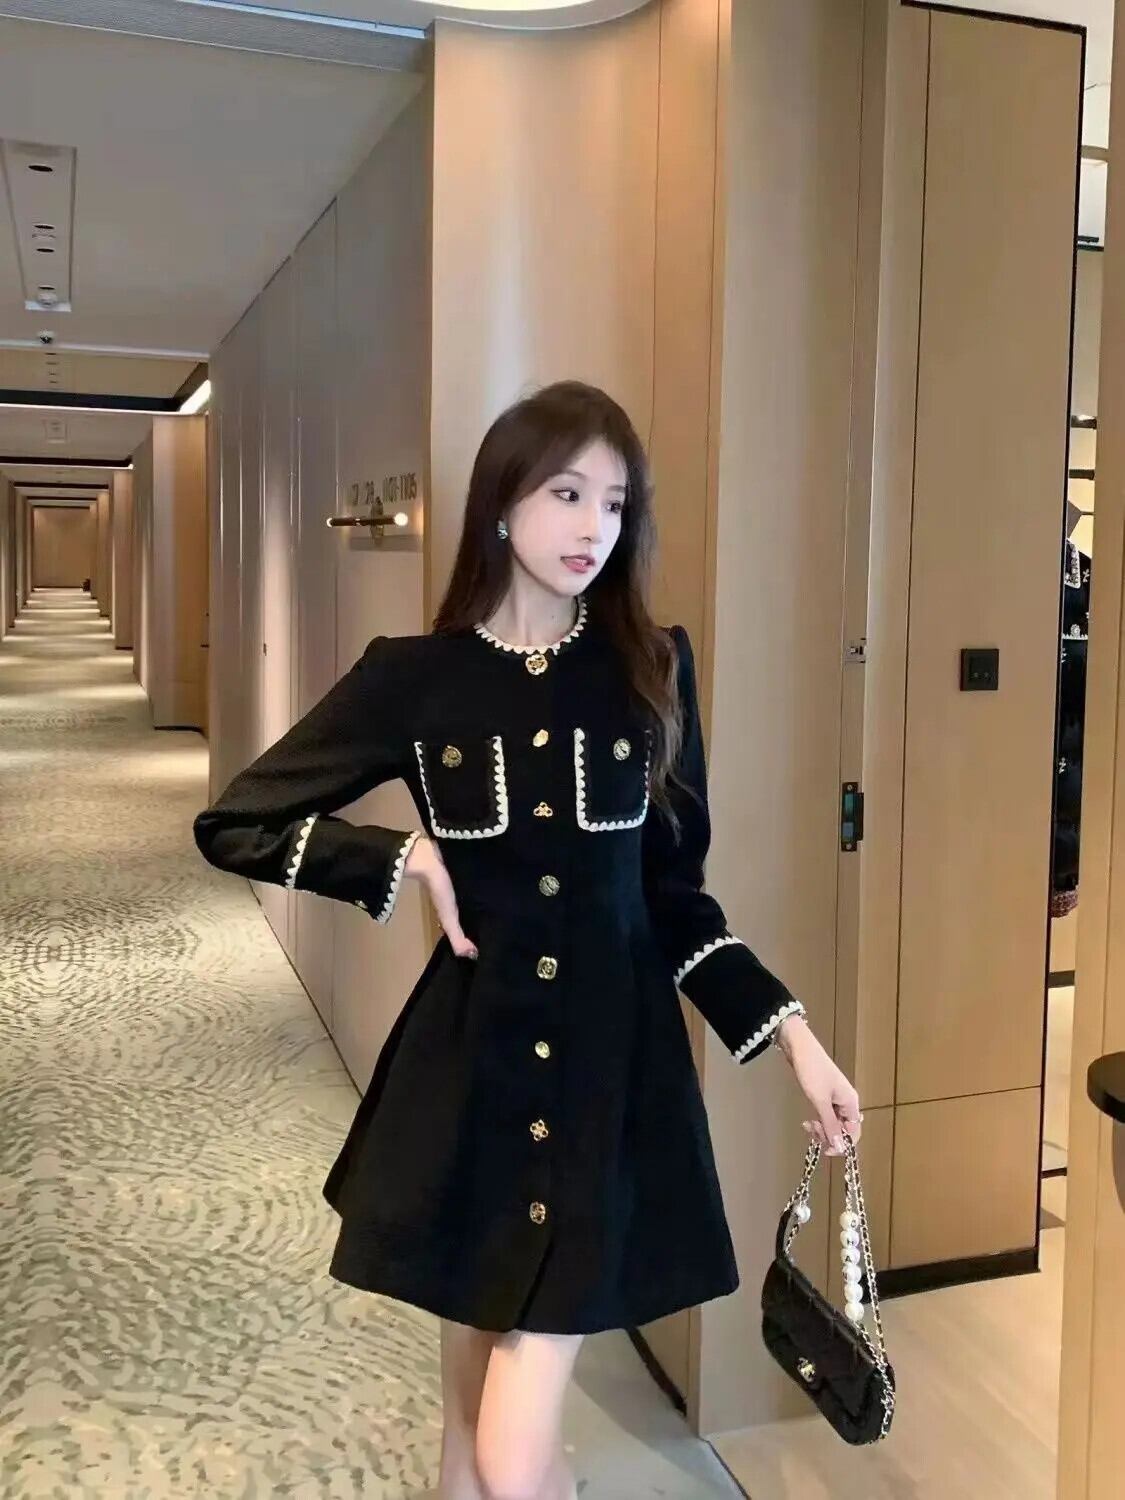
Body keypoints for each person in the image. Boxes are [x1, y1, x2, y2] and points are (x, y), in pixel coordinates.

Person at [193, 380, 863, 1500]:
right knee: (467, 1439)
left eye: (615, 502)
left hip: (610, 1085)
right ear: (501, 504)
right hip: (471, 1078)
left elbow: (677, 902)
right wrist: (401, 858)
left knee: (506, 1453)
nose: (593, 524)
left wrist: (794, 1039)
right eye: (565, 493)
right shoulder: (414, 679)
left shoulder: (653, 670)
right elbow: (236, 823)